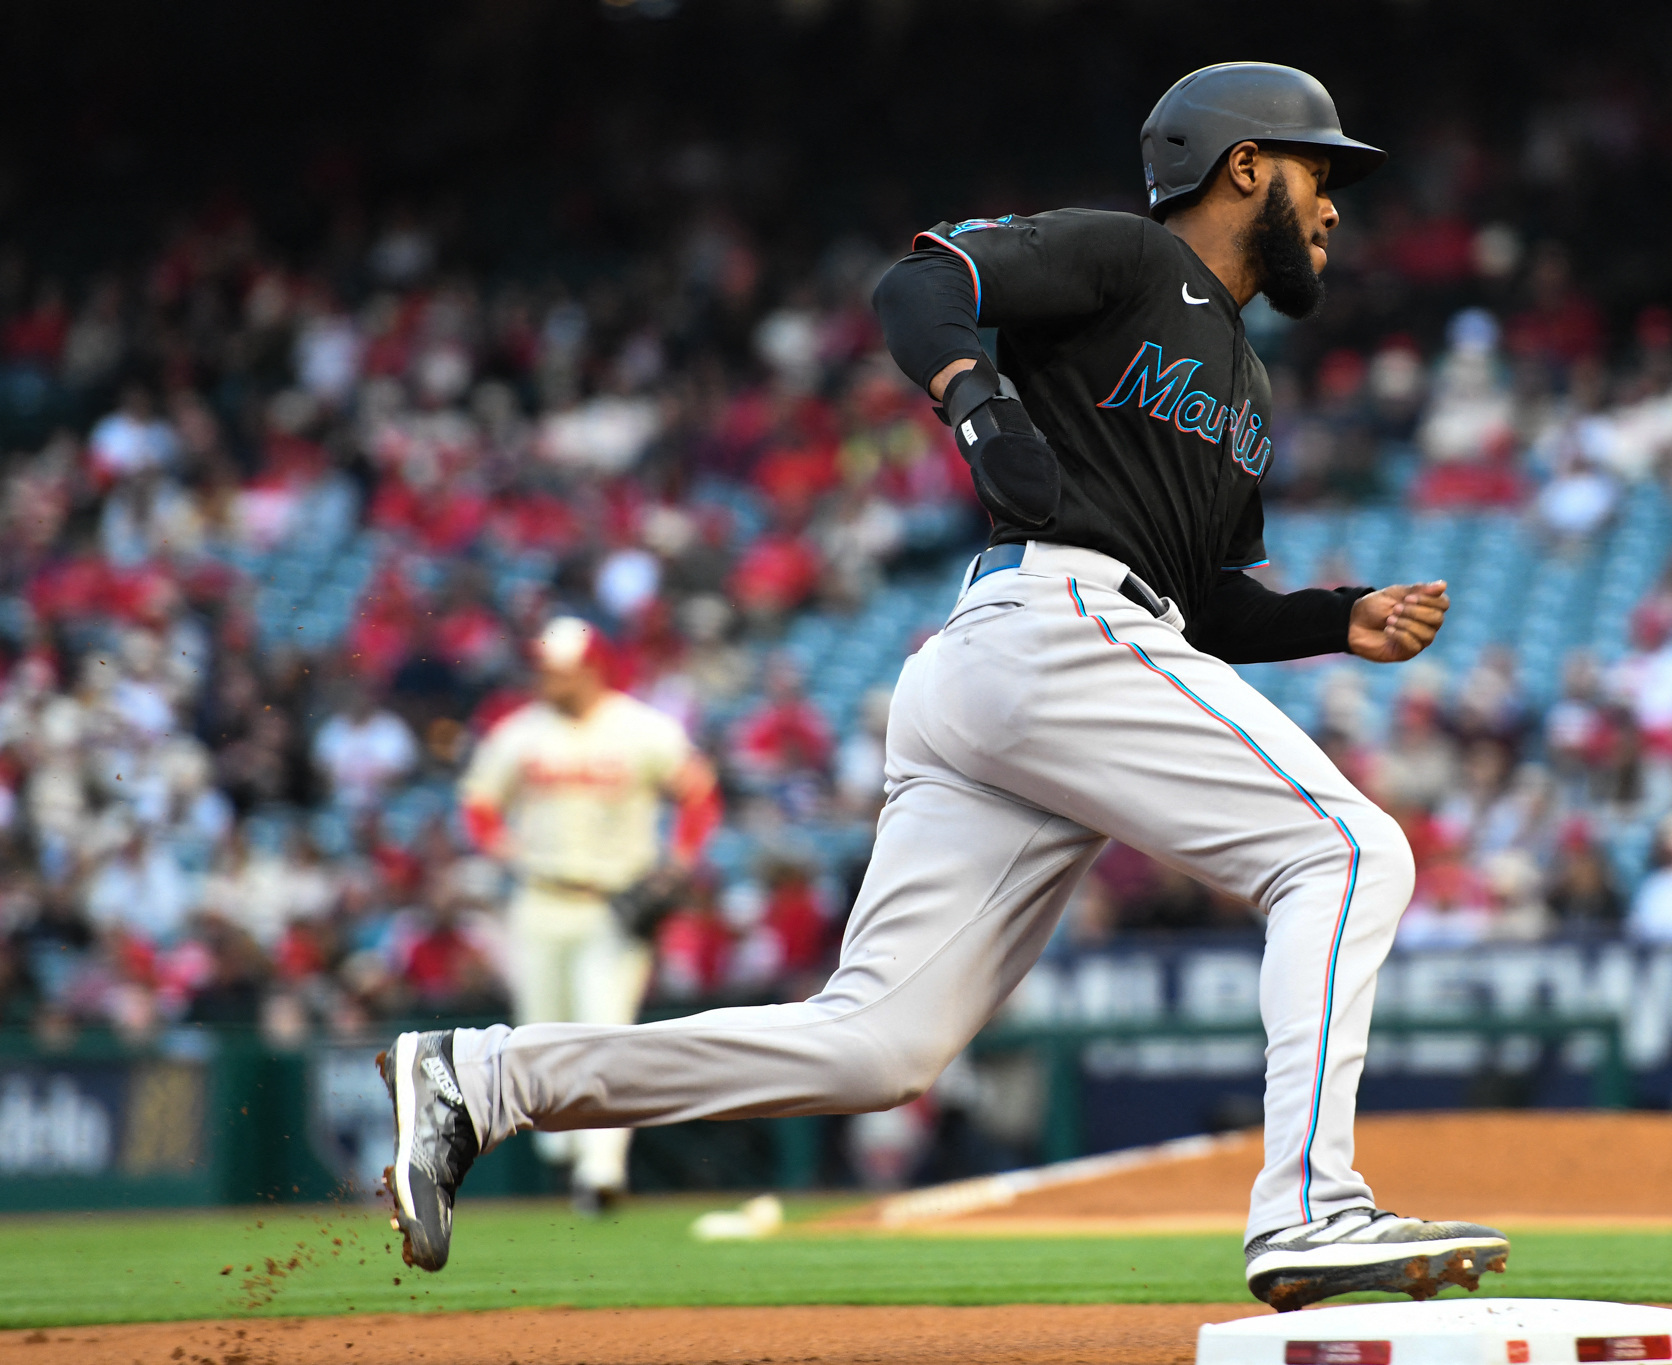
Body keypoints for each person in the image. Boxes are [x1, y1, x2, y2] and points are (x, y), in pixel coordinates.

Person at [382, 63, 1505, 1312]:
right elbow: (919, 283)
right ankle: (1307, 1208)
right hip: (1050, 628)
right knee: (1349, 851)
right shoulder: (1125, 259)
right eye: (1317, 172)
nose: (1335, 206)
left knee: (876, 1044)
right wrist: (971, 400)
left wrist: (1331, 620)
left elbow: (1206, 601)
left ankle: (481, 1080)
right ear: (1244, 165)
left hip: (1041, 663)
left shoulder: (1243, 384)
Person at [449, 616, 719, 1214]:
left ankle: (601, 1173)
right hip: (539, 899)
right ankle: (569, 1157)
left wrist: (678, 861)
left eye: (561, 672)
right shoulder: (518, 733)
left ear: (594, 668)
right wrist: (501, 849)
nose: (549, 681)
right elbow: (479, 803)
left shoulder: (642, 728)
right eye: (544, 670)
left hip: (613, 904)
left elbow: (699, 793)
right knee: (541, 1037)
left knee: (604, 1032)